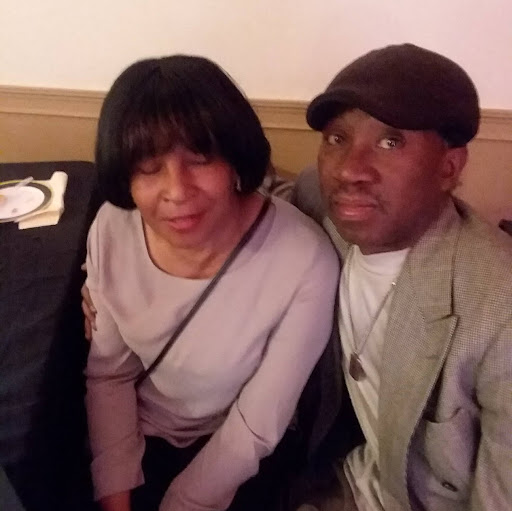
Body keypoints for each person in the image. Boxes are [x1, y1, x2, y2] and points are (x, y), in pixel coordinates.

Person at [83, 55, 339, 511]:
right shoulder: (112, 228)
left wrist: (182, 503)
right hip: (139, 432)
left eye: (200, 159)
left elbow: (257, 424)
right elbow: (110, 375)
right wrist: (115, 497)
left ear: (235, 159)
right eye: (149, 166)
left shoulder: (305, 261)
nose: (177, 191)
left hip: (237, 450)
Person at [290, 43, 512, 510]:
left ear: (448, 167)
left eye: (390, 142)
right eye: (337, 138)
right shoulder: (324, 211)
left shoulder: (498, 307)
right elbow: (265, 192)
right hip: (346, 478)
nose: (350, 170)